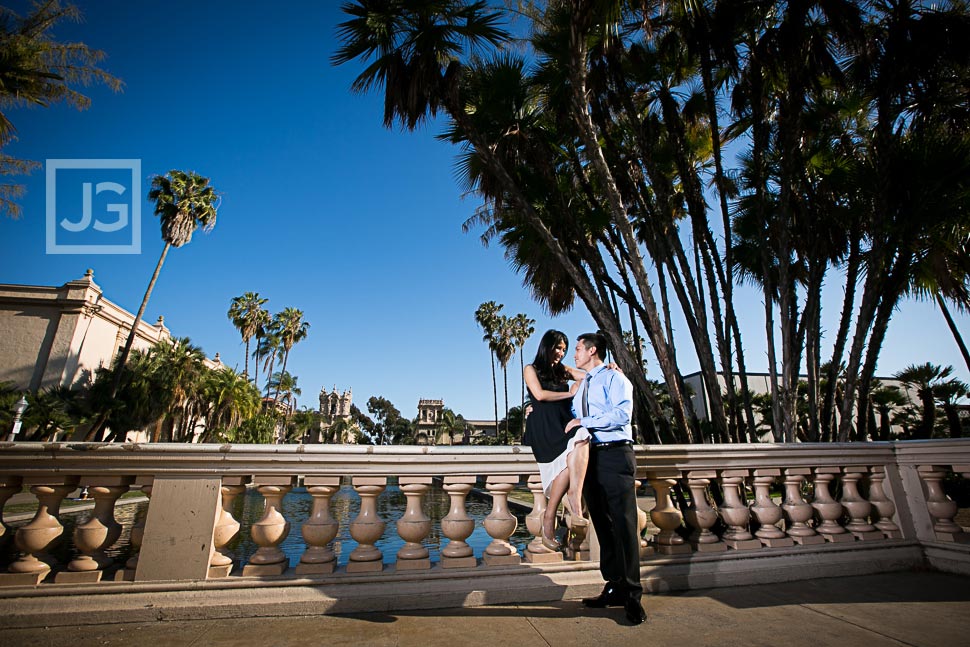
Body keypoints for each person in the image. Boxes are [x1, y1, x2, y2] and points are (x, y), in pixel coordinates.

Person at [565, 332, 646, 626]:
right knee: (603, 524)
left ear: (592, 350)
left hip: (615, 454)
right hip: (590, 458)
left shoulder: (615, 379)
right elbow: (571, 414)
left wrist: (583, 421)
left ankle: (633, 598)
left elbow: (621, 415)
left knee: (624, 526)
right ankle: (613, 587)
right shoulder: (582, 384)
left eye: (577, 349)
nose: (574, 354)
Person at [522, 330, 591, 552]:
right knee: (578, 442)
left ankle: (556, 510)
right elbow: (540, 395)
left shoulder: (564, 371)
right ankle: (562, 507)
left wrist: (607, 368)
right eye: (558, 348)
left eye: (564, 349)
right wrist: (569, 394)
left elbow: (589, 375)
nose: (561, 352)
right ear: (547, 346)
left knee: (582, 439)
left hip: (563, 423)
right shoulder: (530, 369)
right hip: (543, 426)